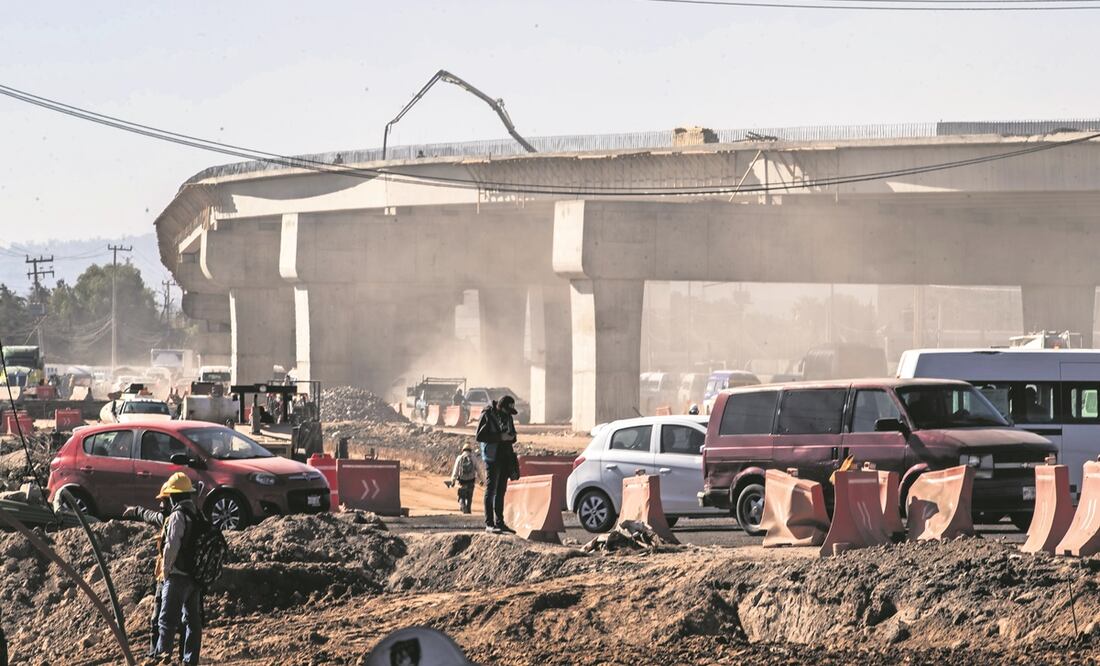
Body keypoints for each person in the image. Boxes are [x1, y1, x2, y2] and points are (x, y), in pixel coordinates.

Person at [121, 495, 185, 659]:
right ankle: (154, 655)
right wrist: (135, 510)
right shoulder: (166, 518)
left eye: (164, 501)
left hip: (174, 576)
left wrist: (167, 570)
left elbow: (172, 548)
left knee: (171, 621)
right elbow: (149, 515)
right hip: (163, 577)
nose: (161, 505)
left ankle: (170, 656)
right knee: (156, 620)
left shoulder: (179, 519)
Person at [150, 472, 203, 665]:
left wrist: (165, 572)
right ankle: (190, 661)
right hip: (195, 576)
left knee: (166, 621)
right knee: (192, 621)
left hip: (178, 576)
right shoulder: (197, 513)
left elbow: (171, 546)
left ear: (173, 496)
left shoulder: (178, 515)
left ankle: (161, 659)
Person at [477, 395, 519, 533]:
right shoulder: (488, 415)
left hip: (505, 457)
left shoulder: (508, 416)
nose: (509, 414)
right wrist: (499, 437)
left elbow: (513, 436)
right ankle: (489, 524)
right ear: (501, 407)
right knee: (491, 490)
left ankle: (500, 523)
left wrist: (511, 437)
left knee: (501, 491)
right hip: (492, 458)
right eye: (508, 411)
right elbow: (480, 436)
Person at [446, 443, 485, 513]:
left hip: (462, 481)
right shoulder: (473, 458)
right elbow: (478, 470)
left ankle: (464, 510)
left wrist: (453, 480)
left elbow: (455, 470)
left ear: (463, 450)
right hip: (471, 481)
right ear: (470, 450)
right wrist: (481, 480)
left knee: (461, 497)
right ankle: (469, 510)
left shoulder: (459, 458)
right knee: (469, 498)